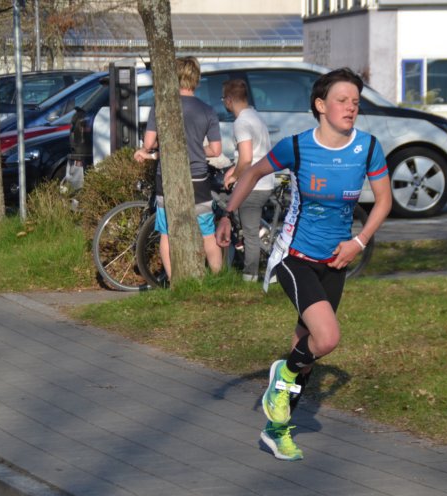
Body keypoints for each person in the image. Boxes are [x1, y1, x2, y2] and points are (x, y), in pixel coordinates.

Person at [216, 68, 393, 461]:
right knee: (326, 339)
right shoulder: (297, 147)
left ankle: (276, 430)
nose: (351, 107)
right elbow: (253, 172)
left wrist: (359, 242)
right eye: (342, 100)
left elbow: (384, 201)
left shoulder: (367, 148)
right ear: (320, 105)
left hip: (336, 263)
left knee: (307, 353)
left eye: (355, 101)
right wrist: (227, 214)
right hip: (294, 258)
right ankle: (282, 373)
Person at [133, 56, 223, 278]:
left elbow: (149, 143)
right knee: (207, 233)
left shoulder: (161, 107)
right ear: (197, 79)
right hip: (198, 177)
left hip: (168, 176)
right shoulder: (208, 110)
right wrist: (195, 149)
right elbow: (216, 150)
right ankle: (218, 279)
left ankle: (175, 283)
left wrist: (149, 151)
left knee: (166, 231)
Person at [221, 79, 275, 282]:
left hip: (253, 185)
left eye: (223, 99)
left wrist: (235, 176)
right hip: (265, 181)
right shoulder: (255, 116)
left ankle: (250, 276)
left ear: (229, 100)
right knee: (250, 226)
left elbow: (246, 158)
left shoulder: (241, 123)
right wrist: (232, 170)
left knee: (250, 233)